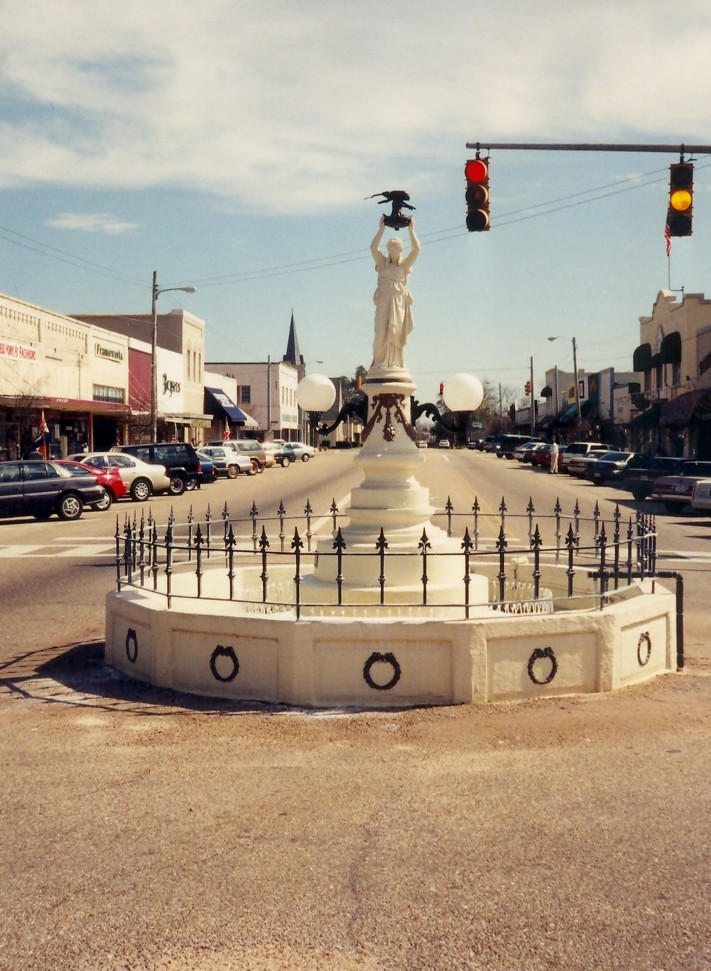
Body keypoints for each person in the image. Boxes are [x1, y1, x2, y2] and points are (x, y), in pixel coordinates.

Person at [370, 215, 420, 369]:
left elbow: (416, 250)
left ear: (400, 251)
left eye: (396, 250)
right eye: (391, 250)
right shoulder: (382, 264)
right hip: (384, 301)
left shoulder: (404, 266)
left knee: (395, 333)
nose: (393, 253)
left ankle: (395, 364)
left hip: (398, 303)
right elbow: (373, 248)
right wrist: (381, 230)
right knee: (380, 333)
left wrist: (411, 231)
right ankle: (379, 363)